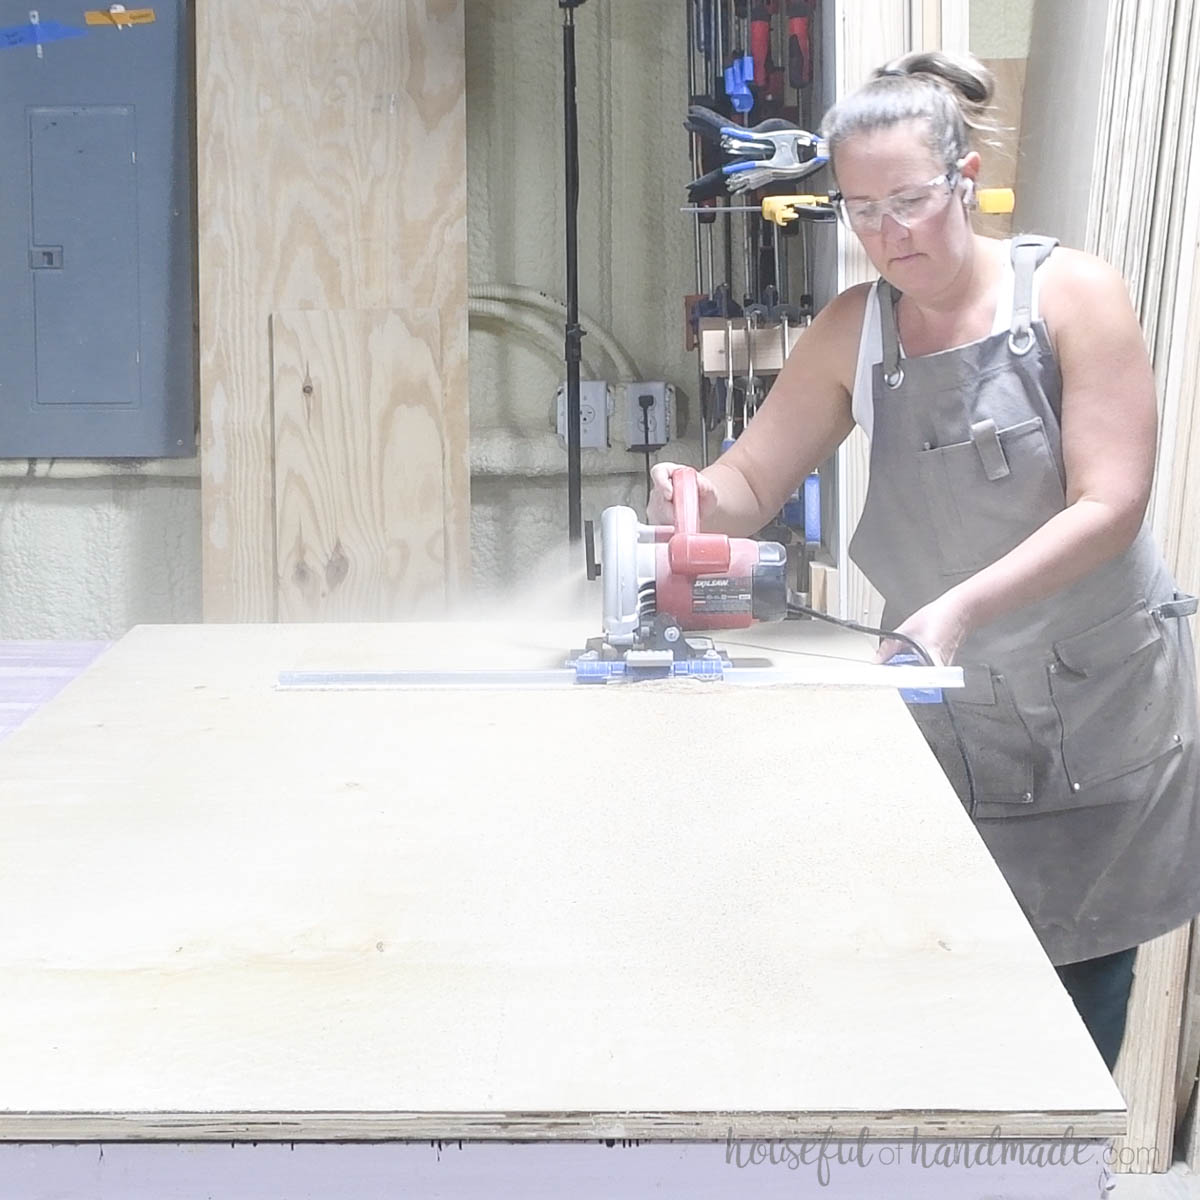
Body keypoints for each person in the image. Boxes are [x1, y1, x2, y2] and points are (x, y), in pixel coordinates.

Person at [649, 50, 1200, 1071]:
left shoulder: (1073, 295)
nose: (886, 234)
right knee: (941, 999)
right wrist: (690, 493)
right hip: (950, 716)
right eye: (860, 210)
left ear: (966, 179)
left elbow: (1113, 503)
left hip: (1098, 707)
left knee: (1074, 1017)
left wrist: (955, 609)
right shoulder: (856, 330)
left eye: (908, 201)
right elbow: (751, 483)